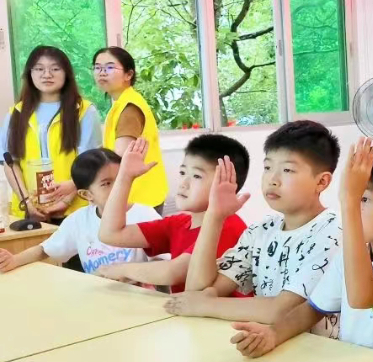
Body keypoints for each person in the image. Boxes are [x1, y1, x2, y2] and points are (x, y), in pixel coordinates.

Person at [229, 141, 373, 362]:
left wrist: (349, 201)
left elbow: (362, 297)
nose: (352, 208)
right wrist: (273, 334)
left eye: (364, 199)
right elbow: (312, 309)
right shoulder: (351, 256)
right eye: (355, 198)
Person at [164, 121, 343, 332]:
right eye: (267, 167)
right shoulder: (261, 230)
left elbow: (283, 310)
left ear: (322, 182)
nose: (272, 180)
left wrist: (206, 305)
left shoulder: (333, 233)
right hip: (264, 342)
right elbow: (197, 291)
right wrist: (214, 215)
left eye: (287, 170)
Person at [97, 135, 250, 293]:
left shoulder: (227, 225)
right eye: (183, 172)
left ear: (229, 184)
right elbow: (110, 234)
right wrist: (125, 176)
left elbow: (174, 272)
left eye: (197, 176)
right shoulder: (179, 223)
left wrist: (120, 270)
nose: (183, 184)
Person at [0, 148, 159, 274]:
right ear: (86, 195)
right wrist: (14, 260)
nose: (118, 187)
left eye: (121, 179)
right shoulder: (79, 220)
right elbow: (44, 249)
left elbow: (166, 262)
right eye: (106, 183)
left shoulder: (145, 215)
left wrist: (133, 274)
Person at [2, 46, 102, 229]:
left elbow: (90, 162)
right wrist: (27, 203)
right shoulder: (15, 113)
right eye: (39, 69)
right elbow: (10, 163)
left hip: (76, 210)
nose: (47, 74)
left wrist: (65, 201)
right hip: (28, 213)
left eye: (55, 68)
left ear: (66, 74)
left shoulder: (84, 111)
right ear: (30, 74)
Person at [93, 47, 168, 212]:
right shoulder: (123, 103)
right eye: (97, 67)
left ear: (128, 74)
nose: (102, 73)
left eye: (109, 67)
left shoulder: (129, 108)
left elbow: (119, 158)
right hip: (139, 194)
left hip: (138, 198)